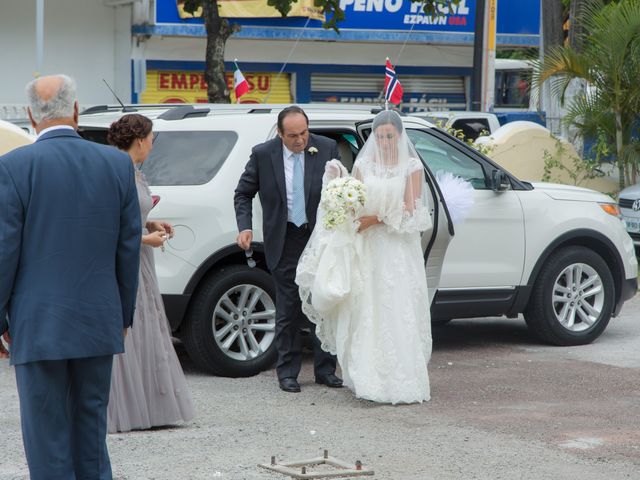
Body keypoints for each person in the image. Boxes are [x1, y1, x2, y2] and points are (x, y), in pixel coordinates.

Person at [0, 74, 141, 479]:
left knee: (47, 439)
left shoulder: (12, 168)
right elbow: (127, 249)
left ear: (29, 116)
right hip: (98, 318)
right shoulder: (116, 163)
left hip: (37, 321)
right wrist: (123, 315)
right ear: (76, 110)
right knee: (90, 433)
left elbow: (5, 252)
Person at [297, 110, 433, 404]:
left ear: (398, 136)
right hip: (367, 246)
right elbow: (355, 201)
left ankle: (401, 378)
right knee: (367, 308)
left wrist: (379, 218)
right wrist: (338, 188)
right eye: (380, 136)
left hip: (395, 248)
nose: (384, 141)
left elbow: (413, 212)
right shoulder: (363, 163)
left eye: (389, 136)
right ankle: (367, 376)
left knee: (395, 308)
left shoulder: (411, 166)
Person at [234, 106, 343, 393]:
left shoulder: (327, 147)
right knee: (288, 308)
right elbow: (243, 193)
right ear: (280, 133)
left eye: (304, 133)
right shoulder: (263, 154)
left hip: (318, 238)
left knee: (322, 303)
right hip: (283, 239)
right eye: (293, 135)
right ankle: (288, 373)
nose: (300, 140)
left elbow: (341, 190)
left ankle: (325, 370)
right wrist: (245, 226)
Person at [106, 114, 195, 433]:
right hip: (128, 258)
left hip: (142, 257)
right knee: (131, 322)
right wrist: (145, 238)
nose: (153, 143)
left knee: (147, 323)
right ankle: (124, 407)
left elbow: (132, 215)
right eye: (152, 138)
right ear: (141, 140)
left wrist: (151, 224)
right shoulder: (118, 172)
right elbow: (108, 226)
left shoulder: (135, 172)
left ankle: (146, 404)